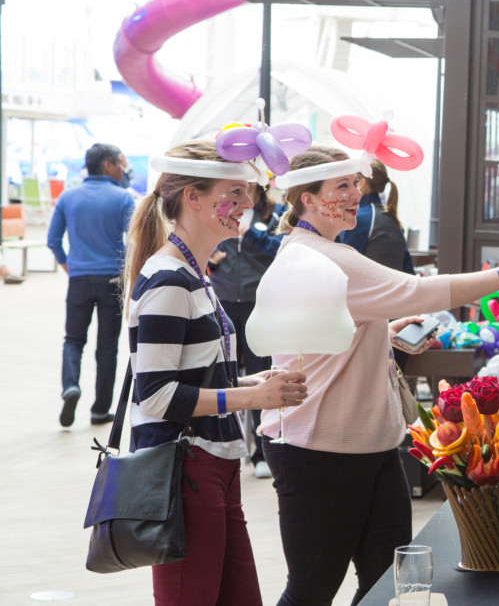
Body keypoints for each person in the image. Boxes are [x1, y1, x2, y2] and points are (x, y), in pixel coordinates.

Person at [262, 146, 499, 605]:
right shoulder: (327, 258)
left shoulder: (319, 251)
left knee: (390, 583)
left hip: (370, 445)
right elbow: (416, 291)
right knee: (314, 589)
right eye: (342, 185)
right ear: (307, 199)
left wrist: (380, 329)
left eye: (356, 183)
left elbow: (333, 331)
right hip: (320, 450)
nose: (357, 193)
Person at [123, 140, 307, 605]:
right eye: (236, 192)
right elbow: (158, 396)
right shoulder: (169, 279)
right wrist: (250, 399)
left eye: (247, 193)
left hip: (216, 465)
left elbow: (192, 380)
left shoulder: (194, 273)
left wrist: (251, 385)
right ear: (194, 198)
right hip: (185, 468)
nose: (247, 204)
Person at [47, 143, 136, 427]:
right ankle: (100, 410)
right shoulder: (123, 198)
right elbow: (134, 242)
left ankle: (70, 386)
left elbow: (52, 240)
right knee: (108, 346)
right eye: (120, 164)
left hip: (79, 279)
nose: (123, 170)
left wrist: (69, 267)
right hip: (112, 280)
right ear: (108, 166)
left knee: (73, 339)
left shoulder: (68, 197)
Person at [209, 183, 286, 479]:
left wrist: (252, 234)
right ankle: (227, 444)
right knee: (226, 374)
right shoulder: (222, 208)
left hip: (259, 302)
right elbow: (204, 242)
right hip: (224, 299)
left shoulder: (274, 213)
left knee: (260, 371)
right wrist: (211, 257)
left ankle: (260, 452)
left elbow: (282, 249)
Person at [339, 158, 415, 275]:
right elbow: (409, 270)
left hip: (369, 292)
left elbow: (344, 269)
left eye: (353, 182)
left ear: (362, 183)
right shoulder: (393, 220)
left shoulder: (360, 219)